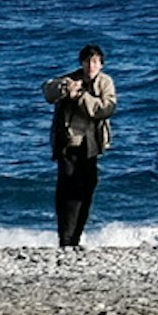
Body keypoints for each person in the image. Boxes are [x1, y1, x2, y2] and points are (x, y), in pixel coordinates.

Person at [42, 44, 117, 250]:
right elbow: (48, 91)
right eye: (87, 61)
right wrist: (67, 89)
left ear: (101, 64)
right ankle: (66, 239)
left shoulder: (105, 82)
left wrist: (81, 97)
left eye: (94, 61)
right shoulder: (71, 79)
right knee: (68, 190)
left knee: (87, 189)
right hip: (68, 144)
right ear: (81, 63)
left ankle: (76, 236)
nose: (90, 65)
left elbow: (105, 109)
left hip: (92, 144)